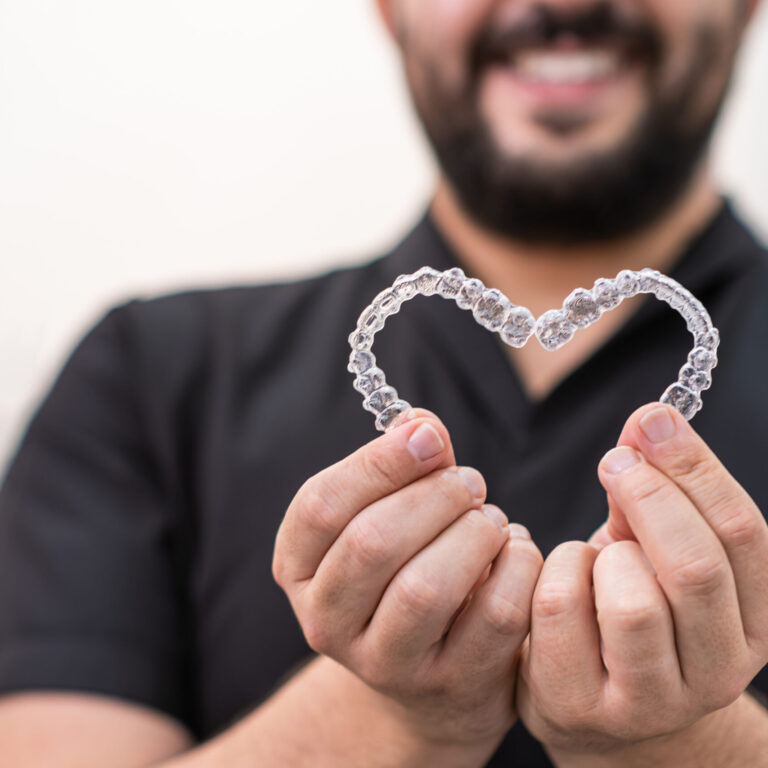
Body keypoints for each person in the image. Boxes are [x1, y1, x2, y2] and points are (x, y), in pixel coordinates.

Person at [0, 0, 767, 765]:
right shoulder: (149, 377)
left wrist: (699, 744)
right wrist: (388, 720)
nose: (562, 5)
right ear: (387, 8)